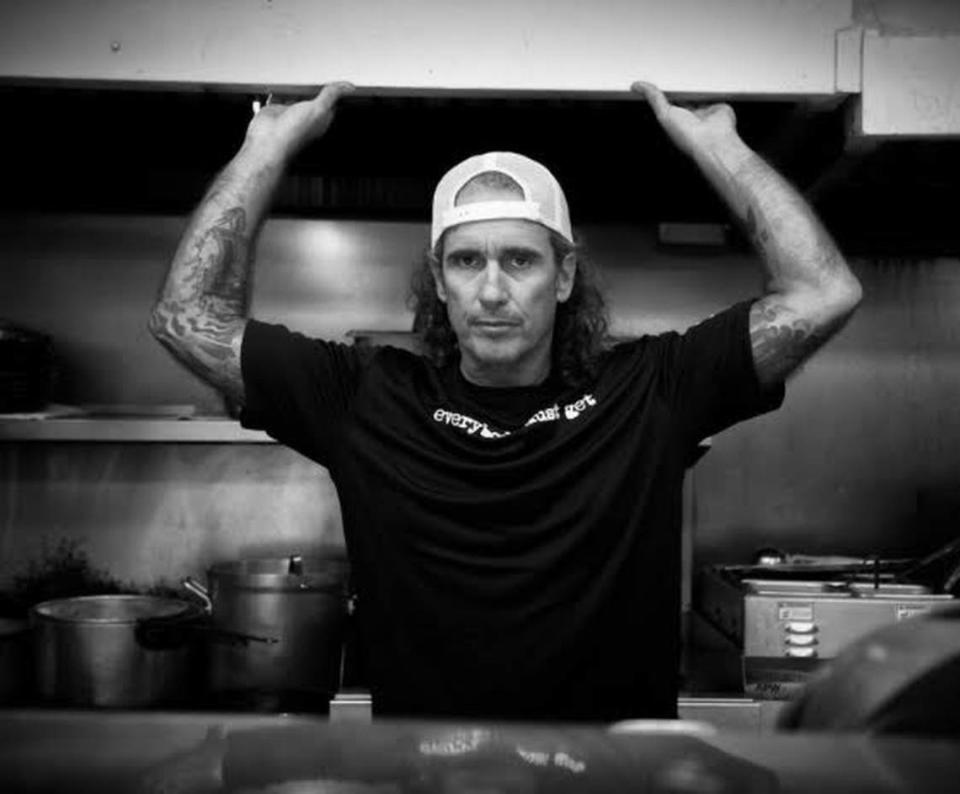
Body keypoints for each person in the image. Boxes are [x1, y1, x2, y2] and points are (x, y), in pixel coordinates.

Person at [150, 80, 862, 722]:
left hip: (608, 783)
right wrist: (265, 148)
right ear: (438, 280)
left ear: (563, 276)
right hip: (431, 780)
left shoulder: (652, 389)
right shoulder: (363, 396)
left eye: (519, 259)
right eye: (467, 261)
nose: (492, 290)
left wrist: (721, 147)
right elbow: (188, 319)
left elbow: (822, 293)